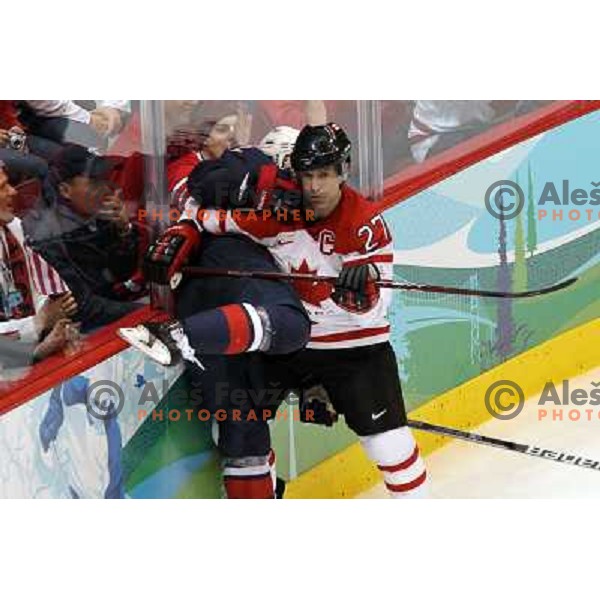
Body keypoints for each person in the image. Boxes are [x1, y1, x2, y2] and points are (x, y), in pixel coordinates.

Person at [135, 124, 428, 499]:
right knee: (240, 425)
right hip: (290, 348)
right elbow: (205, 213)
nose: (315, 187)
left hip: (353, 351)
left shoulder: (363, 223)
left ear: (343, 172)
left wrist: (365, 293)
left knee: (387, 444)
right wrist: (186, 230)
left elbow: (374, 315)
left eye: (324, 175)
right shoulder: (277, 214)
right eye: (308, 176)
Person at [120, 148, 311, 500]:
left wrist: (187, 227)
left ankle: (265, 488)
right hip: (230, 288)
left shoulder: (197, 185)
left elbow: (190, 206)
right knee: (290, 328)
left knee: (241, 423)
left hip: (204, 302)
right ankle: (177, 337)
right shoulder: (247, 216)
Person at [23, 145, 144, 331]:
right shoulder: (46, 238)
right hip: (80, 328)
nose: (104, 188)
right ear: (65, 190)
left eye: (103, 180)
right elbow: (84, 308)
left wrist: (124, 230)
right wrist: (144, 312)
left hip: (109, 305)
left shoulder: (94, 213)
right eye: (93, 182)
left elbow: (121, 273)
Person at [0, 161, 78, 374]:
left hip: (21, 352)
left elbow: (37, 289)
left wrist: (56, 308)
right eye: (2, 188)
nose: (13, 192)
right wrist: (40, 321)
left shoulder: (13, 227)